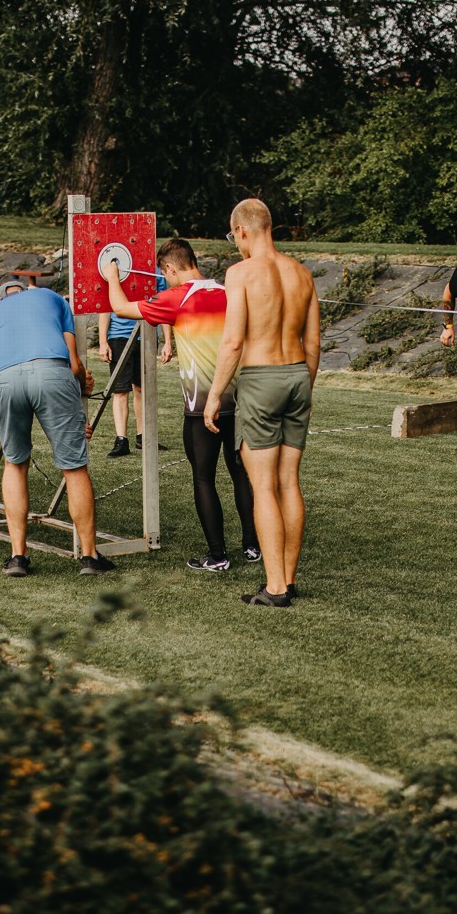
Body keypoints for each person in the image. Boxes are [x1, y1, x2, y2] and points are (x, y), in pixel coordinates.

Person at [104, 239, 260, 573]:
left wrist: (112, 275)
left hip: (201, 405)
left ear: (170, 269)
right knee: (241, 473)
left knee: (203, 478)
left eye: (165, 274)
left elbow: (120, 308)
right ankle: (252, 545)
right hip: (240, 400)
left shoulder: (177, 296)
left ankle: (217, 555)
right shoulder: (229, 291)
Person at [204, 198, 319, 608]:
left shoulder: (240, 273)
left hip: (261, 379)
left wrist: (214, 395)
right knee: (289, 482)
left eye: (233, 236)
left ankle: (275, 588)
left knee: (264, 485)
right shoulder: (302, 273)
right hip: (298, 376)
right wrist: (304, 388)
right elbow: (314, 343)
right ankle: (288, 578)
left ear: (242, 231)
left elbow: (233, 341)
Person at [0, 278, 113, 578]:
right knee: (74, 468)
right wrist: (82, 387)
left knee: (15, 464)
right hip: (50, 371)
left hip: (1, 380)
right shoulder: (51, 297)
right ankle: (90, 557)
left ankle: (18, 555)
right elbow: (74, 363)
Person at [97, 274, 170, 457]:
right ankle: (121, 440)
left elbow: (164, 307)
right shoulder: (115, 272)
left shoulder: (154, 273)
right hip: (118, 336)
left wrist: (168, 341)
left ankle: (143, 437)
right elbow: (105, 307)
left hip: (146, 335)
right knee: (120, 390)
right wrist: (103, 342)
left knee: (142, 388)